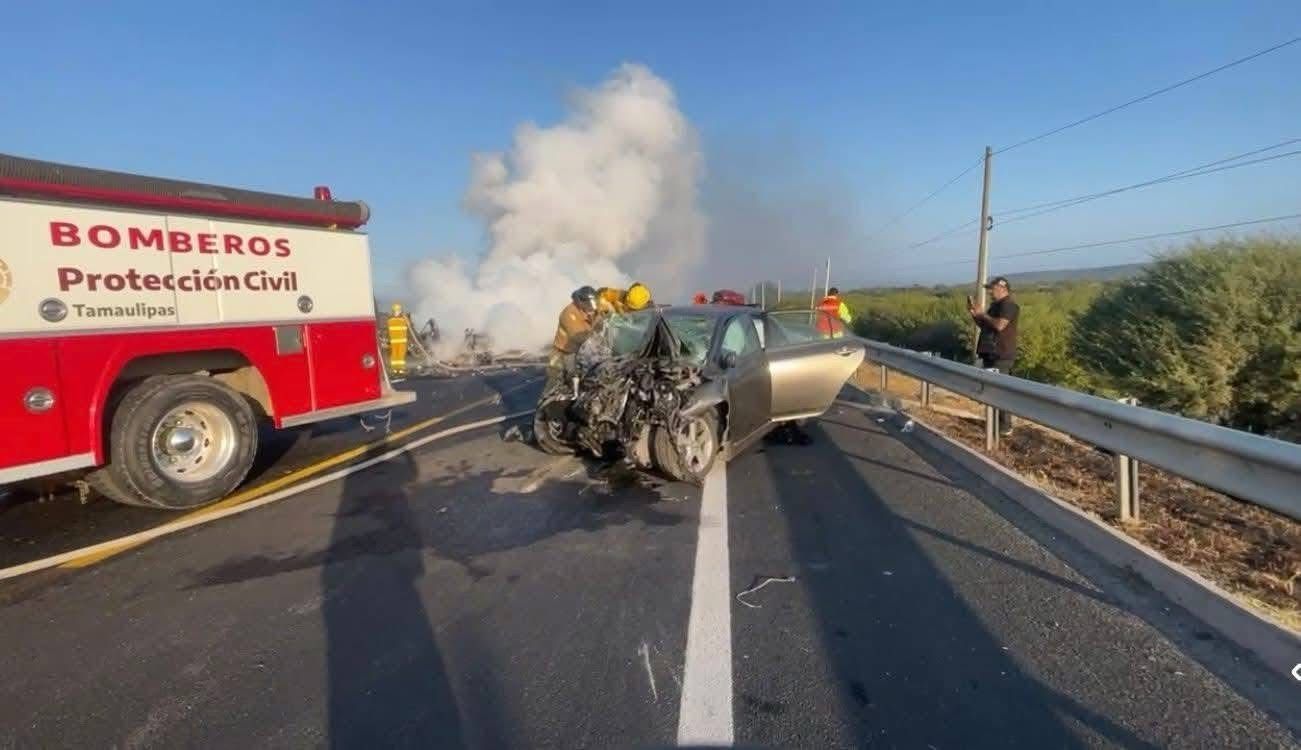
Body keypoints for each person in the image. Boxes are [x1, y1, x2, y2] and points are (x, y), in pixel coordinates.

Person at [969, 275, 1020, 434]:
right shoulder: (995, 306)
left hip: (1001, 355)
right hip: (990, 354)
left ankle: (1004, 427)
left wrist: (983, 314)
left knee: (1000, 391)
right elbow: (986, 325)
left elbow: (999, 325)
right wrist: (975, 314)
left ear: (1002, 288)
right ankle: (994, 425)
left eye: (992, 289)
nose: (990, 292)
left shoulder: (1009, 306)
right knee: (992, 391)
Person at [546, 286, 599, 394]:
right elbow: (577, 336)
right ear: (581, 302)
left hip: (582, 352)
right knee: (559, 381)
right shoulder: (569, 314)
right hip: (564, 353)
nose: (592, 307)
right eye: (589, 304)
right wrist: (597, 342)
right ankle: (547, 405)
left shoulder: (590, 310)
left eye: (593, 302)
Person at [386, 303, 410, 376]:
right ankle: (399, 370)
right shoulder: (403, 320)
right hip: (401, 342)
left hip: (394, 342)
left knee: (396, 356)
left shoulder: (390, 321)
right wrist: (405, 317)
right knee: (399, 356)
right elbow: (409, 325)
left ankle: (395, 370)